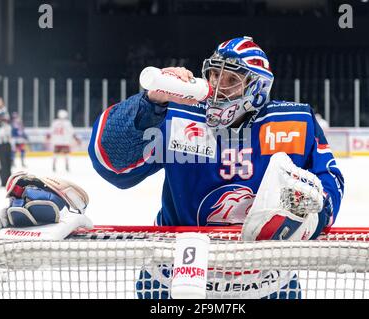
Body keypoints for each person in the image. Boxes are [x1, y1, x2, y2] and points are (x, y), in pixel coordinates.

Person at [87, 36, 345, 299]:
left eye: (231, 80)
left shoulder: (293, 122)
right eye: (213, 76)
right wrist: (150, 104)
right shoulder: (178, 114)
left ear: (257, 87)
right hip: (173, 278)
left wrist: (316, 213)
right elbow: (113, 164)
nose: (217, 87)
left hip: (266, 283)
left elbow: (330, 179)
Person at [0, 97, 12, 188]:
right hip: (1, 142)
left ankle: (7, 181)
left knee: (7, 162)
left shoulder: (3, 112)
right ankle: (5, 182)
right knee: (3, 162)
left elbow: (6, 122)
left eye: (1, 101)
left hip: (6, 141)